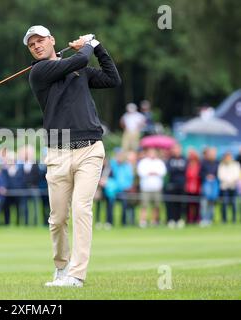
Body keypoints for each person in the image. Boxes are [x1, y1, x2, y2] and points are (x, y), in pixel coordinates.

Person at [25, 25, 121, 287]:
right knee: (57, 219)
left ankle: (76, 275)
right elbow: (78, 58)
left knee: (81, 209)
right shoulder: (39, 72)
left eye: (40, 40)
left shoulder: (78, 69)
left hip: (90, 150)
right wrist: (88, 43)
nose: (36, 46)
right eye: (31, 44)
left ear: (52, 40)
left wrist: (98, 47)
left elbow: (112, 79)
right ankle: (61, 266)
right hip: (58, 154)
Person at [137, 148, 166, 227]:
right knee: (144, 205)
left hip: (157, 187)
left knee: (156, 205)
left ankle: (154, 221)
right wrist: (150, 172)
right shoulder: (143, 162)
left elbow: (163, 172)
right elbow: (141, 172)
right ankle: (143, 221)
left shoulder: (159, 162)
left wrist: (154, 172)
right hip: (146, 187)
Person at [165, 144, 187, 228]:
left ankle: (179, 219)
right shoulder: (170, 159)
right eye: (175, 149)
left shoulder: (184, 158)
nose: (176, 151)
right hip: (171, 185)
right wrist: (178, 169)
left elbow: (185, 169)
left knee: (181, 204)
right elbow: (169, 170)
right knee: (171, 204)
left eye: (178, 149)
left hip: (181, 185)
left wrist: (177, 169)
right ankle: (171, 220)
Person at [217, 152, 240, 223]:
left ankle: (234, 219)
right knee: (224, 203)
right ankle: (224, 219)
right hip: (224, 187)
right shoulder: (221, 165)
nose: (228, 158)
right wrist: (227, 181)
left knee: (234, 203)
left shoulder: (236, 164)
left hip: (233, 186)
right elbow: (220, 175)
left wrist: (231, 181)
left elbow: (237, 174)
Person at [199, 147, 219, 227]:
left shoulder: (217, 162)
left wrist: (214, 177)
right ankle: (204, 219)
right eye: (211, 153)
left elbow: (219, 173)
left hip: (214, 184)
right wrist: (207, 176)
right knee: (204, 203)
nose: (212, 155)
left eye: (214, 153)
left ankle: (210, 219)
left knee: (212, 203)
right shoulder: (203, 162)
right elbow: (200, 173)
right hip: (205, 184)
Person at [185, 149, 201, 224]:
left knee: (197, 204)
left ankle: (196, 219)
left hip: (197, 187)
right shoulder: (187, 165)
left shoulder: (199, 165)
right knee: (189, 205)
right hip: (189, 187)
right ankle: (189, 219)